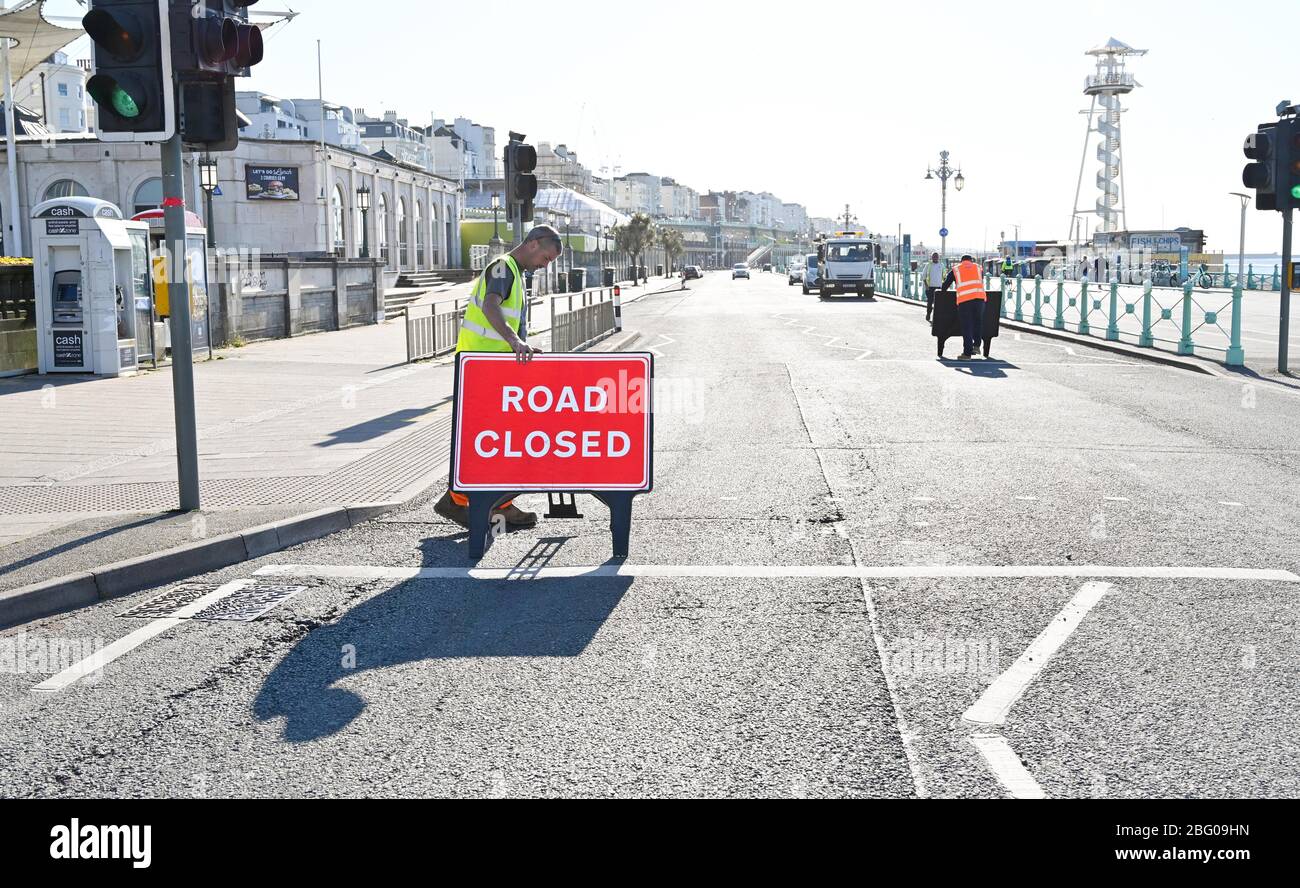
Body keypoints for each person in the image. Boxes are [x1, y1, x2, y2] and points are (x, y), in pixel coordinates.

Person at [433, 225, 564, 529]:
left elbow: (507, 316)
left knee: (497, 440)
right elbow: (492, 306)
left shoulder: (515, 274)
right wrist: (515, 343)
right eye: (545, 258)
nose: (545, 265)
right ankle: (469, 502)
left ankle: (485, 502)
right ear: (532, 244)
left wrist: (523, 345)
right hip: (482, 369)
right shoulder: (504, 268)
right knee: (498, 439)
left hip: (492, 369)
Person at [940, 253, 987, 360]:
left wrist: (942, 291)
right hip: (980, 299)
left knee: (967, 327)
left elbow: (946, 285)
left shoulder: (956, 269)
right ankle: (976, 346)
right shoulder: (978, 268)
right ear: (971, 260)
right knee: (978, 322)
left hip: (965, 301)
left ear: (961, 261)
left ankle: (967, 353)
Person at [920, 251, 944, 322]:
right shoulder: (928, 265)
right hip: (930, 287)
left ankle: (936, 317)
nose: (935, 258)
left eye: (936, 256)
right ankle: (928, 314)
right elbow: (923, 275)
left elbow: (944, 275)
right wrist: (926, 285)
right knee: (930, 302)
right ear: (932, 257)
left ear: (938, 257)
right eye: (934, 256)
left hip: (939, 287)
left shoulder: (941, 265)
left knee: (939, 304)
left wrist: (944, 286)